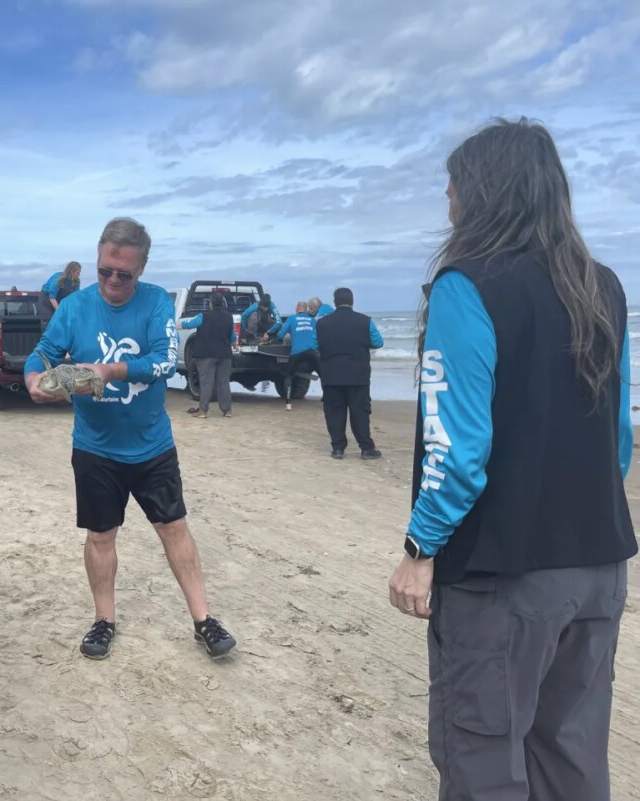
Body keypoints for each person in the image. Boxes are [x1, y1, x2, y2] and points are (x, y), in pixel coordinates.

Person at [388, 118, 637, 801]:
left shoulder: (466, 285)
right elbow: (619, 436)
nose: (446, 193)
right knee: (571, 754)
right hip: (598, 566)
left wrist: (419, 546)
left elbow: (457, 449)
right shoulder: (604, 287)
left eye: (455, 181)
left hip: (503, 576)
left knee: (484, 762)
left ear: (484, 191)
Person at [25, 217, 236, 660]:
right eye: (105, 271)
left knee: (174, 527)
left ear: (141, 269)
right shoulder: (74, 307)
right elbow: (42, 352)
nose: (114, 281)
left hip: (151, 444)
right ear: (96, 261)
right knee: (101, 536)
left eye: (125, 274)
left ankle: (203, 620)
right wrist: (33, 379)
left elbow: (165, 362)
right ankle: (104, 620)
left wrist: (110, 371)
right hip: (94, 446)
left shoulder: (158, 302)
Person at [315, 287, 383, 459]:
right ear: (352, 301)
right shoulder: (365, 321)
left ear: (335, 302)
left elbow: (315, 346)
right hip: (358, 375)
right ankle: (366, 448)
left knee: (334, 412)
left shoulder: (322, 323)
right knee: (360, 412)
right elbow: (378, 342)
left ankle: (338, 448)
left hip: (331, 375)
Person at [181, 291, 237, 418]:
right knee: (224, 383)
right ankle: (227, 411)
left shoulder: (203, 316)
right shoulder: (229, 317)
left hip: (206, 355)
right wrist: (234, 343)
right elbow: (232, 335)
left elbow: (189, 324)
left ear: (210, 304)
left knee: (206, 383)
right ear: (222, 304)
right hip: (224, 354)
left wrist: (177, 324)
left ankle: (203, 411)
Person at [265, 301, 319, 410]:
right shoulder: (312, 320)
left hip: (297, 352)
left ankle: (288, 404)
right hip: (311, 351)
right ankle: (326, 399)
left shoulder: (292, 319)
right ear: (306, 308)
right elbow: (316, 335)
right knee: (323, 373)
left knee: (289, 375)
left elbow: (281, 334)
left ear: (297, 308)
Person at [38, 260, 81, 326]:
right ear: (72, 271)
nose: (79, 275)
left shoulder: (76, 282)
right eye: (77, 273)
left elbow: (75, 298)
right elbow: (52, 297)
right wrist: (60, 312)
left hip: (60, 300)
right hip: (47, 300)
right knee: (50, 322)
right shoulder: (59, 278)